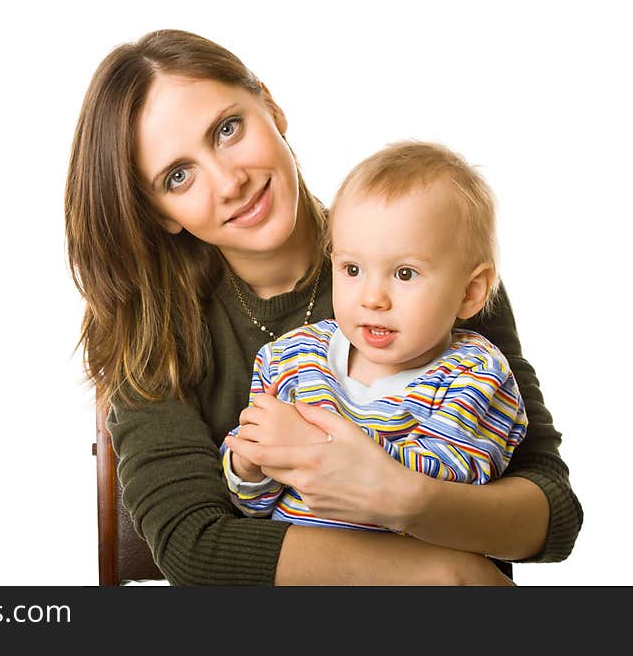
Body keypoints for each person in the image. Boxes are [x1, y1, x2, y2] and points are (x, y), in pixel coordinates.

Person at [64, 29, 582, 585]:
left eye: (227, 130)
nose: (230, 183)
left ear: (272, 106)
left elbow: (551, 517)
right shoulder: (148, 328)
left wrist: (399, 496)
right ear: (162, 212)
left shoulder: (430, 251)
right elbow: (194, 548)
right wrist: (443, 574)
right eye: (179, 176)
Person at [221, 141, 528, 531]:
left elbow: (444, 489)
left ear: (470, 292)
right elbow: (254, 505)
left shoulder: (476, 375)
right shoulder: (291, 358)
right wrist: (247, 465)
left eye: (404, 274)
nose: (372, 299)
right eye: (352, 269)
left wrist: (316, 446)